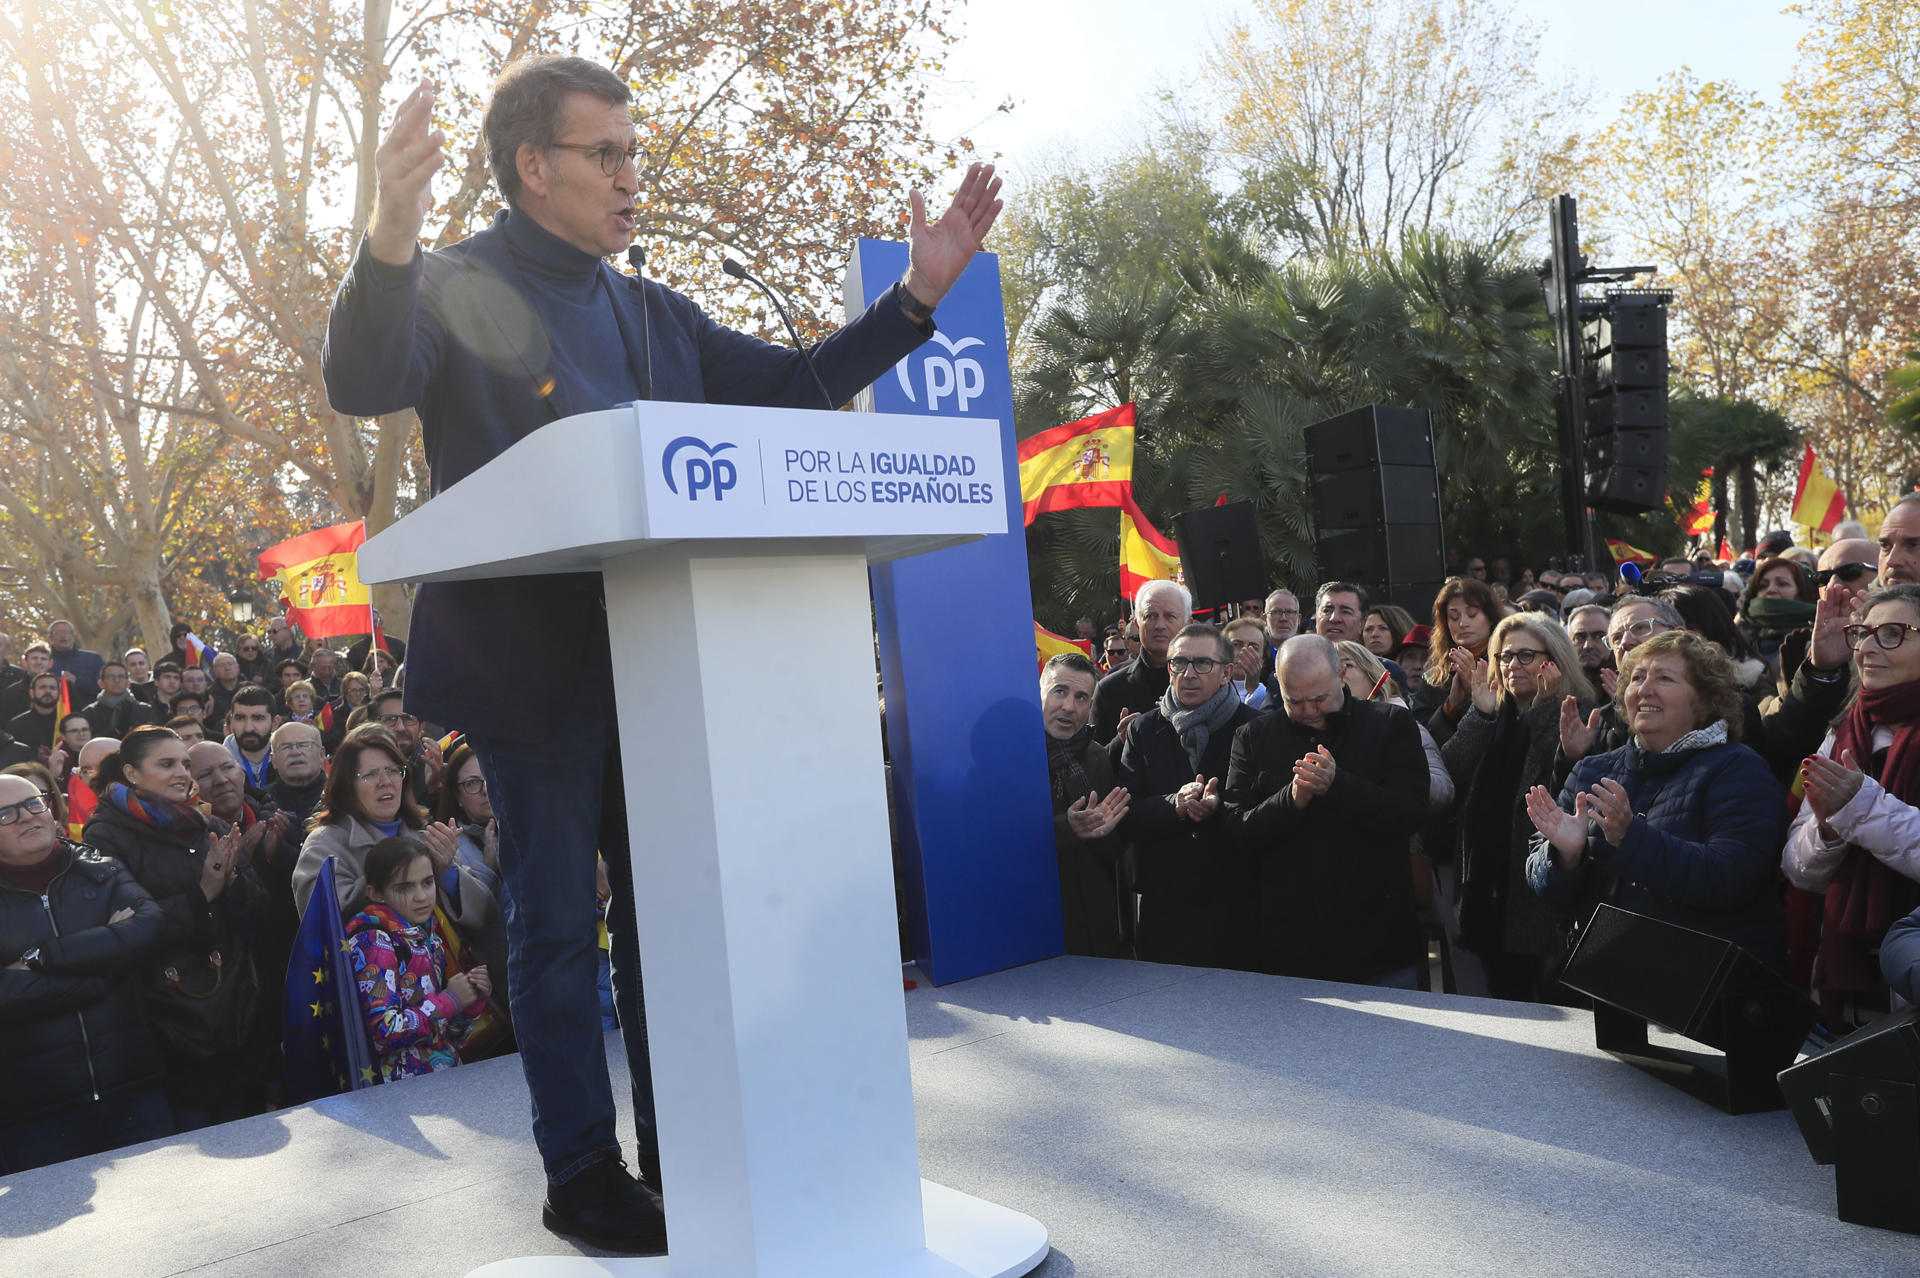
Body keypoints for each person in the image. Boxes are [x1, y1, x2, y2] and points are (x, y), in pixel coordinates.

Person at [322, 53, 999, 1251]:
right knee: (549, 924)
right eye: (608, 155)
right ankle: (580, 1173)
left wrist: (914, 304)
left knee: (666, 912)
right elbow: (363, 378)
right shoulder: (454, 281)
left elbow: (788, 390)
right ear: (534, 168)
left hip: (675, 663)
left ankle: (682, 1150)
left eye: (635, 153)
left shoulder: (647, 308)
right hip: (534, 669)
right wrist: (388, 232)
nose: (634, 177)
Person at [1524, 630, 1788, 970]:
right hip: (1601, 979)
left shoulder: (1739, 769)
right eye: (1636, 678)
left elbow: (1731, 877)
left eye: (1664, 678)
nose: (1644, 689)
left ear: (1705, 699)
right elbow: (1540, 881)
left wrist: (1631, 838)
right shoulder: (1592, 768)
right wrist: (1563, 856)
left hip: (1698, 987)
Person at [81, 726, 270, 1130]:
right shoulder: (105, 836)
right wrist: (203, 893)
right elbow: (125, 928)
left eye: (185, 763)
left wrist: (233, 880)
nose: (182, 773)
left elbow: (257, 913)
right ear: (132, 773)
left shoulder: (209, 826)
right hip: (166, 1019)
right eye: (166, 764)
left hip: (232, 1008)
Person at [1224, 634, 1428, 983]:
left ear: (1341, 676)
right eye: (1295, 702)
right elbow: (1235, 829)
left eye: (1320, 699)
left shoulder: (1389, 725)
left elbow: (1409, 812)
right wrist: (1290, 799)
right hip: (1290, 944)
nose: (1309, 712)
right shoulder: (1254, 736)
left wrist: (1339, 784)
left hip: (1379, 937)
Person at [0, 772, 173, 1175]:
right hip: (37, 1110)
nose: (27, 817)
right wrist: (105, 973)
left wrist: (43, 956)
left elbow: (147, 929)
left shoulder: (102, 869)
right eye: (5, 814)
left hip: (134, 1086)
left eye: (33, 802)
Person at [1434, 614, 1597, 1002]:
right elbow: (1449, 771)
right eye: (1504, 657)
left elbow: (1556, 781)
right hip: (1486, 886)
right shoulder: (1495, 711)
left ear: (1553, 658)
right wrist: (1481, 714)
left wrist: (1543, 708)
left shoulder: (1580, 711)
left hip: (1536, 889)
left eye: (1525, 656)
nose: (1512, 666)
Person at [1782, 583, 1920, 1027]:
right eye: (1863, 634)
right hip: (1844, 984)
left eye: (1894, 633)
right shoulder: (1844, 729)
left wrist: (1859, 807)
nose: (1869, 649)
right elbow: (1796, 868)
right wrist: (1826, 831)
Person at [292, 728, 503, 979]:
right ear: (347, 785)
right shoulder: (324, 844)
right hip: (378, 993)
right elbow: (323, 922)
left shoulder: (422, 833)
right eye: (370, 774)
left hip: (450, 990)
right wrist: (391, 871)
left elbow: (485, 914)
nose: (385, 781)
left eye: (393, 771)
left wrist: (447, 872)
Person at [1117, 624, 1256, 967]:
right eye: (1179, 663)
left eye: (1202, 664)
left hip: (1236, 903)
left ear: (1226, 673)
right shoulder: (1143, 729)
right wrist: (1173, 805)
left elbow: (1266, 811)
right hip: (1166, 906)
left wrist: (1217, 808)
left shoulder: (1255, 727)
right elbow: (1126, 810)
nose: (1189, 674)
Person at [185, 740, 298, 1092]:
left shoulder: (280, 819)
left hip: (286, 975)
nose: (220, 780)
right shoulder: (188, 840)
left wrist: (280, 855)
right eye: (205, 774)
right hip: (234, 996)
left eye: (227, 768)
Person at [347, 837, 491, 1083]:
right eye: (405, 888)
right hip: (398, 1095)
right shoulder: (373, 941)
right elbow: (384, 1032)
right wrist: (449, 1000)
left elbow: (445, 1036)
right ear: (376, 893)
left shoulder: (428, 935)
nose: (421, 896)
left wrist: (469, 1003)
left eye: (427, 882)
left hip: (441, 1081)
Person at [1037, 653, 1129, 957]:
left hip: (1092, 926)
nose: (1068, 707)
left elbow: (1113, 852)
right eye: (1059, 691)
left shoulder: (1097, 757)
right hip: (1032, 919)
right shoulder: (1011, 757)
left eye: (1081, 697)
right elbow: (998, 836)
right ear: (1039, 692)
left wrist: (1104, 832)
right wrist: (1067, 828)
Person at [1094, 580, 1190, 746]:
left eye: (1170, 616)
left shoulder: (1209, 679)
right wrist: (1122, 742)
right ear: (1137, 623)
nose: (1160, 625)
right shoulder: (1110, 689)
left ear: (1187, 623)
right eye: (1150, 616)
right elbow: (1095, 764)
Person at [1415, 576, 1508, 727]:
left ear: (1490, 618)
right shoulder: (1433, 677)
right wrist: (1450, 707)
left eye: (1472, 614)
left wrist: (1476, 692)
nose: (1463, 623)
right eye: (1454, 617)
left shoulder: (1507, 664)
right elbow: (1423, 735)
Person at [431, 738, 504, 901]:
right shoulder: (451, 848)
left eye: (490, 777)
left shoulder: (526, 826)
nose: (485, 790)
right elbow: (478, 918)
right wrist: (489, 869)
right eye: (472, 783)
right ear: (457, 796)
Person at [1736, 555, 1817, 671]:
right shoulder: (1738, 635)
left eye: (1782, 584)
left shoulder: (1817, 639)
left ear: (1802, 593)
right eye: (1763, 586)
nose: (1771, 589)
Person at [370, 689, 444, 806]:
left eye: (408, 719)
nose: (400, 727)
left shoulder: (440, 772)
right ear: (372, 726)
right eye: (390, 719)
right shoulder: (361, 770)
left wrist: (434, 789)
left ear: (421, 726)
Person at [267, 721, 329, 827]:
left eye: (303, 745)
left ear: (321, 754)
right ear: (273, 760)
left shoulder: (341, 797)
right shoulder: (264, 803)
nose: (295, 752)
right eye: (285, 747)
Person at [220, 685, 278, 792]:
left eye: (258, 718)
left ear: (275, 723)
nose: (248, 728)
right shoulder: (217, 766)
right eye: (240, 718)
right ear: (231, 722)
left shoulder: (290, 761)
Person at [82, 660, 157, 739]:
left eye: (121, 677)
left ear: (128, 683)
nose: (116, 680)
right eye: (111, 677)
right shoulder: (90, 713)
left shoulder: (144, 710)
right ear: (101, 683)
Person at [46, 619, 105, 709]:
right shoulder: (43, 661)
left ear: (74, 636)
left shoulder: (93, 659)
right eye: (58, 633)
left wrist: (77, 681)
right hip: (52, 713)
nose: (63, 635)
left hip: (88, 713)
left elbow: (105, 687)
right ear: (50, 638)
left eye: (67, 632)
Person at [1222, 617, 1275, 709]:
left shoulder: (1274, 693)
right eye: (1236, 644)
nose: (1244, 651)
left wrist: (1254, 689)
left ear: (1262, 659)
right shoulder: (1209, 689)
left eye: (1253, 647)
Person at [1564, 603, 1614, 694]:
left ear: (1612, 639)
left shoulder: (1629, 682)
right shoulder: (1558, 685)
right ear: (1569, 641)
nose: (1588, 645)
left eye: (1599, 636)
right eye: (1580, 637)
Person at [8, 671, 61, 755]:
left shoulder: (67, 722)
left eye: (52, 688)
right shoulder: (16, 725)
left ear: (59, 693)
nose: (48, 691)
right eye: (42, 687)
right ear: (32, 693)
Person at [207, 652, 244, 728]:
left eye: (230, 664)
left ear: (237, 667)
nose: (227, 668)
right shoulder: (209, 694)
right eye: (222, 665)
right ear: (215, 671)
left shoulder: (249, 688)